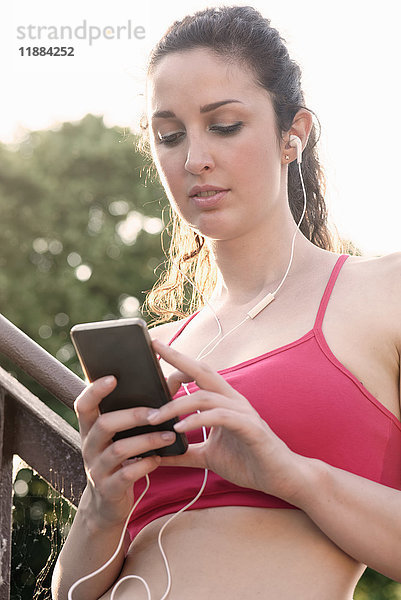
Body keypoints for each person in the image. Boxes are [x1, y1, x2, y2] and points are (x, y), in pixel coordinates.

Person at [52, 6, 401, 600]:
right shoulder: (158, 350)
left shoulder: (383, 292)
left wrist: (292, 475)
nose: (193, 159)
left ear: (294, 133)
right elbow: (71, 593)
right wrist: (103, 502)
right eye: (169, 135)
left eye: (225, 124)